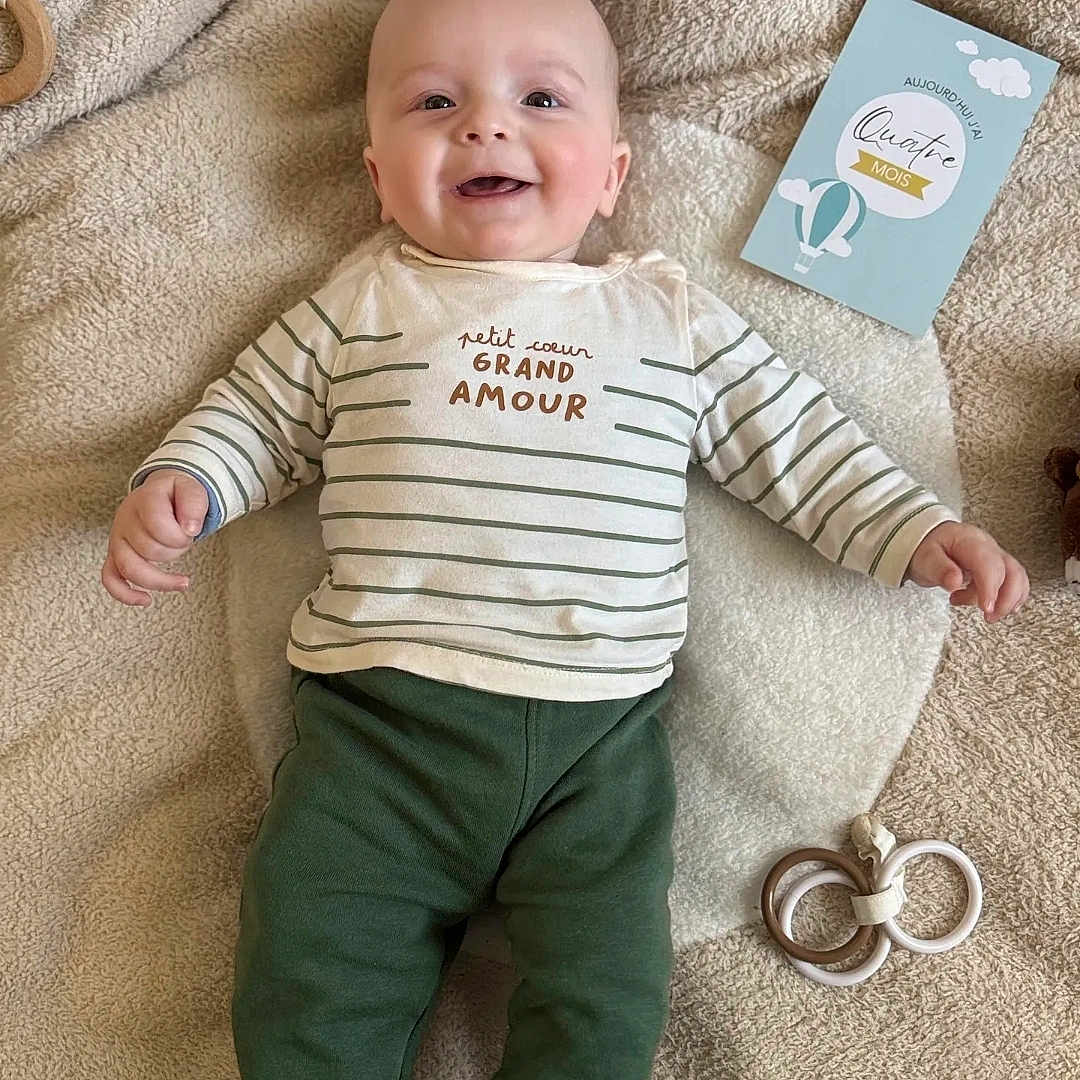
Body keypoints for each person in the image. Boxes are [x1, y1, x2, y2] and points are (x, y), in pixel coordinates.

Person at [100, 0, 1030, 1076]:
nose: (486, 125)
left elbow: (797, 442)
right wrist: (186, 479)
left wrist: (913, 528)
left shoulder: (667, 317)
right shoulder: (364, 301)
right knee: (310, 974)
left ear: (612, 175)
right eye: (435, 102)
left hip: (599, 748)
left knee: (604, 995)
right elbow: (259, 414)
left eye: (541, 98)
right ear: (377, 176)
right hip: (379, 732)